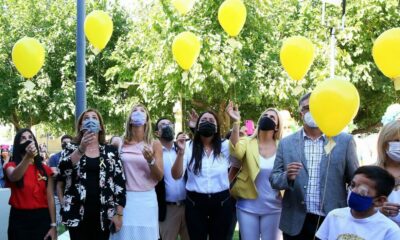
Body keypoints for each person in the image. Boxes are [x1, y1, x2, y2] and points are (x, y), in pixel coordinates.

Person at [269, 92, 359, 240]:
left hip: (332, 220)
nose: (312, 111)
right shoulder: (286, 143)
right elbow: (274, 179)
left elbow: (355, 179)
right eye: (307, 108)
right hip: (296, 222)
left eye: (317, 107)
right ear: (300, 114)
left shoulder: (345, 141)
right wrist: (287, 177)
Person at [58, 109, 126, 240]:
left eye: (94, 118)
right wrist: (81, 149)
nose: (90, 120)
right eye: (86, 118)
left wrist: (119, 214)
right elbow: (62, 170)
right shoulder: (70, 148)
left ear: (100, 126)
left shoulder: (110, 151)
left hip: (103, 214)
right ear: (80, 126)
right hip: (76, 213)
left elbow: (120, 183)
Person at [172, 110, 233, 240]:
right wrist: (180, 153)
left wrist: (237, 122)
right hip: (195, 204)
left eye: (211, 121)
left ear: (217, 127)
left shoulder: (225, 146)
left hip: (221, 202)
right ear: (197, 126)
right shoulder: (188, 146)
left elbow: (238, 161)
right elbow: (176, 175)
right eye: (204, 120)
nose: (207, 123)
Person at [227, 101, 283, 240]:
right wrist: (236, 123)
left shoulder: (282, 146)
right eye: (265, 115)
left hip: (274, 208)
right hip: (247, 207)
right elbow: (235, 152)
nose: (267, 118)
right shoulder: (246, 141)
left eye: (272, 117)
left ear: (276, 126)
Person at [110, 104, 163, 240]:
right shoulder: (119, 143)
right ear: (130, 119)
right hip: (125, 200)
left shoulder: (154, 144)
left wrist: (150, 161)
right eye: (135, 110)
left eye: (142, 111)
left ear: (146, 120)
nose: (138, 112)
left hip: (147, 200)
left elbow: (159, 176)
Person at [316, 166, 400, 240]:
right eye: (352, 185)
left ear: (379, 201)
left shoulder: (390, 230)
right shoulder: (334, 216)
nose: (353, 191)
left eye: (362, 191)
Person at [4, 128, 57, 240]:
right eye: (23, 138)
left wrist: (53, 225)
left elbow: (50, 197)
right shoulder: (10, 166)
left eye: (30, 137)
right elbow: (14, 176)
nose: (27, 140)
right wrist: (28, 158)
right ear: (17, 144)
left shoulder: (45, 169)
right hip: (19, 220)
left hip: (42, 219)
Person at [155, 118, 189, 240]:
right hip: (168, 209)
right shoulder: (154, 153)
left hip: (188, 207)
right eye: (162, 125)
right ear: (157, 133)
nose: (167, 126)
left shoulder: (183, 149)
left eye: (169, 124)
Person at [376, 120, 400, 225]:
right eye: (397, 140)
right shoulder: (371, 173)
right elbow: (357, 207)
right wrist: (379, 211)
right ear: (384, 144)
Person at [48, 134, 72, 228]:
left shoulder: (77, 157)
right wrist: (68, 172)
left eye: (68, 142)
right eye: (64, 142)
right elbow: (54, 174)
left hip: (71, 196)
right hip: (56, 196)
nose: (66, 144)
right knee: (57, 223)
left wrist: (60, 171)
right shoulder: (54, 158)